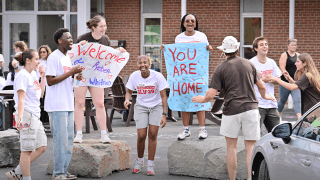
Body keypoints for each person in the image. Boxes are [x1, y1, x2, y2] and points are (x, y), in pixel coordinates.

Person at [192, 36, 274, 180]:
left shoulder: (220, 68)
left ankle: (232, 178)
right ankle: (251, 178)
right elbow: (261, 85)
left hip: (231, 111)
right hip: (251, 109)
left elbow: (211, 94)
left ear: (224, 51)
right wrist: (265, 96)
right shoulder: (249, 64)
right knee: (250, 147)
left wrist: (202, 99)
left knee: (231, 147)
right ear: (237, 48)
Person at [73, 15, 126, 144]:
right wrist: (80, 45)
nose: (104, 28)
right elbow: (74, 54)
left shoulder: (105, 39)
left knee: (100, 104)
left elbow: (107, 56)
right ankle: (79, 134)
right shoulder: (83, 38)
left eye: (105, 26)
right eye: (101, 26)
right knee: (79, 103)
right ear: (94, 27)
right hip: (82, 74)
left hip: (96, 76)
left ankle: (104, 134)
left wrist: (117, 51)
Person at [161, 13, 213, 140]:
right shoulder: (179, 38)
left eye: (193, 21)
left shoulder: (202, 36)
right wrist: (166, 49)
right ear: (183, 24)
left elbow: (204, 53)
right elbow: (178, 57)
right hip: (183, 76)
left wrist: (208, 48)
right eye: (187, 21)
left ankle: (202, 129)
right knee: (184, 102)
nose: (190, 23)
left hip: (198, 76)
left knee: (200, 100)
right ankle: (185, 129)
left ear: (196, 23)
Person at [45, 28, 82, 180]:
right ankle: (58, 173)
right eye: (68, 38)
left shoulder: (67, 57)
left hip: (67, 103)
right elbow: (50, 81)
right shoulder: (54, 57)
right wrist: (70, 73)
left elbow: (66, 80)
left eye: (72, 37)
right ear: (60, 41)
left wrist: (75, 76)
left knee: (68, 140)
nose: (71, 40)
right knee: (60, 141)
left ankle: (64, 171)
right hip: (57, 105)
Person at [5, 49, 46, 180]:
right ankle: (26, 177)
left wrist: (43, 76)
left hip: (35, 115)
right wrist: (20, 118)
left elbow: (40, 94)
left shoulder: (33, 73)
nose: (39, 61)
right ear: (28, 61)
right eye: (36, 59)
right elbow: (21, 99)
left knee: (42, 146)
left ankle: (17, 172)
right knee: (26, 150)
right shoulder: (22, 75)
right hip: (27, 115)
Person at [124, 55, 168, 176]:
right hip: (141, 107)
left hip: (156, 107)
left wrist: (164, 114)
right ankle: (139, 162)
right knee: (141, 136)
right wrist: (127, 100)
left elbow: (164, 96)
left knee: (153, 135)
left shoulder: (157, 76)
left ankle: (150, 164)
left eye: (145, 63)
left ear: (149, 64)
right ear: (137, 65)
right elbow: (129, 91)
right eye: (140, 63)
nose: (142, 65)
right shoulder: (134, 76)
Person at [249, 37, 282, 133]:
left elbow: (278, 80)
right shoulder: (251, 63)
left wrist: (272, 79)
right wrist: (263, 80)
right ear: (256, 48)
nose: (265, 46)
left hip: (271, 104)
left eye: (266, 44)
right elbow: (247, 82)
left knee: (277, 134)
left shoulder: (271, 62)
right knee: (254, 134)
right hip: (257, 104)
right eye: (262, 45)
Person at [278, 38, 301, 119]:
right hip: (285, 82)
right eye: (292, 45)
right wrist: (286, 74)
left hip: (295, 82)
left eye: (295, 45)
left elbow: (300, 68)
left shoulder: (298, 55)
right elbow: (282, 67)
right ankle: (277, 118)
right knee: (282, 101)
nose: (294, 46)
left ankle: (300, 120)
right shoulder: (284, 55)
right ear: (288, 46)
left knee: (297, 101)